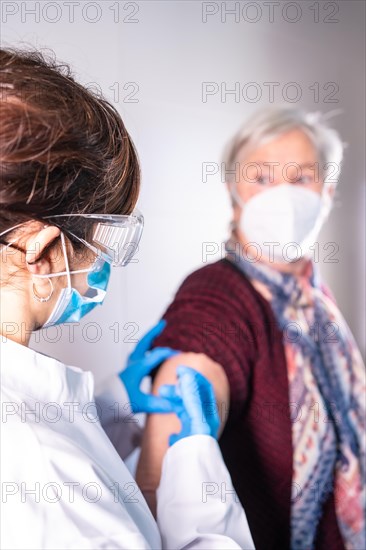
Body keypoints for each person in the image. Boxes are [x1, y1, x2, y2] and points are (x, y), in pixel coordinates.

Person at [0, 47, 255, 549]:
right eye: (99, 240)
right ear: (39, 247)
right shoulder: (36, 459)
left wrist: (113, 409)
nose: (100, 263)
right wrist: (194, 467)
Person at [136, 106, 366, 550]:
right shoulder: (218, 294)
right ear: (232, 191)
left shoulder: (314, 301)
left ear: (328, 190)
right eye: (260, 178)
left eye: (300, 178)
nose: (280, 196)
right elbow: (157, 477)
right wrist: (196, 419)